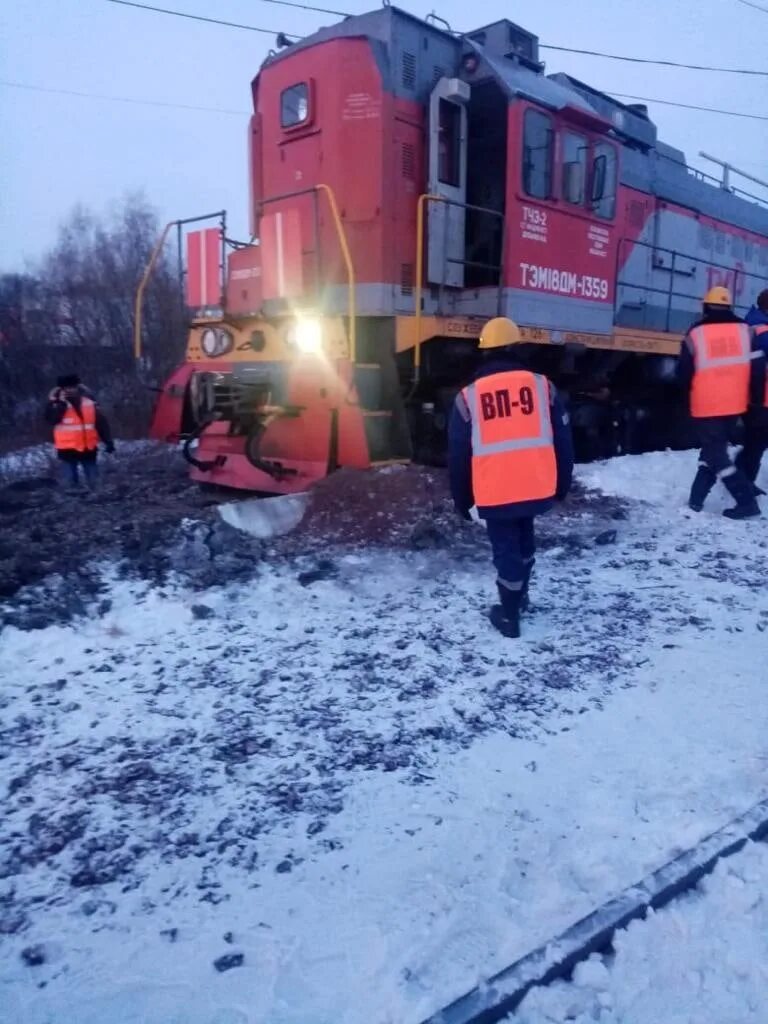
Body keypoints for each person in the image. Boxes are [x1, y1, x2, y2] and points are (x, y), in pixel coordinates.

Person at [448, 317, 574, 638]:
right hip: (534, 484)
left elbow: (458, 455)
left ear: (484, 353)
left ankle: (508, 616)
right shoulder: (542, 386)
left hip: (496, 490)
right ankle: (521, 598)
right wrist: (562, 483)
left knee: (506, 552)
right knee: (525, 543)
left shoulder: (468, 397)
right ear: (517, 348)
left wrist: (463, 500)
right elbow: (563, 439)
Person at [676, 286, 762, 519]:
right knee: (712, 450)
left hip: (707, 404)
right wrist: (753, 399)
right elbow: (757, 369)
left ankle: (746, 502)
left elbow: (683, 373)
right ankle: (696, 500)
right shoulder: (746, 331)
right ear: (729, 307)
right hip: (735, 404)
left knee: (716, 455)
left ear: (705, 306)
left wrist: (684, 400)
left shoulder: (695, 333)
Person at [44, 374, 114, 488]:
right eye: (67, 388)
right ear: (61, 389)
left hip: (89, 448)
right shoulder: (54, 403)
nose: (70, 390)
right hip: (67, 449)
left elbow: (101, 423)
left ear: (77, 387)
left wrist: (108, 441)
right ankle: (72, 502)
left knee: (94, 481)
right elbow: (52, 420)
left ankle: (95, 501)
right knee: (70, 482)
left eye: (73, 387)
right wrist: (61, 404)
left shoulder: (89, 402)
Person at [735, 289, 768, 491]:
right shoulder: (762, 330)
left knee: (754, 442)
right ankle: (744, 484)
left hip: (753, 395)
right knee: (757, 443)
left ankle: (744, 480)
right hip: (760, 398)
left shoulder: (751, 322)